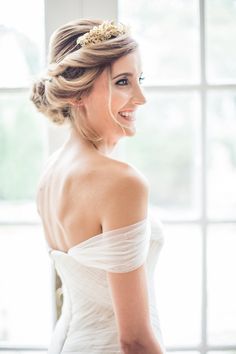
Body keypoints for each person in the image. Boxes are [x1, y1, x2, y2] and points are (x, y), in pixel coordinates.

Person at [30, 18, 166, 354]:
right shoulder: (121, 181)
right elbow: (133, 339)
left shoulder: (51, 172)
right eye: (123, 82)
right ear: (76, 94)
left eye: (139, 79)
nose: (141, 97)